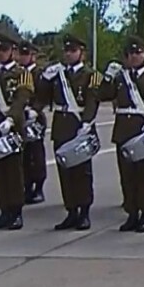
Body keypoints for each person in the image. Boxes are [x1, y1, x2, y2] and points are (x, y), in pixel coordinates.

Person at [98, 37, 144, 233]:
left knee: (143, 175)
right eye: (131, 54)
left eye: (139, 53)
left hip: (142, 130)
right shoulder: (120, 78)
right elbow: (103, 95)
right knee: (126, 176)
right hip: (123, 130)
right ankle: (131, 213)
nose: (135, 57)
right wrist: (107, 77)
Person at [36, 35, 101, 230]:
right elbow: (43, 97)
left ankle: (84, 212)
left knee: (82, 173)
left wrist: (87, 122)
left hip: (79, 125)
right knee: (65, 172)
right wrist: (44, 80)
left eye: (73, 51)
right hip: (62, 126)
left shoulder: (91, 75)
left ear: (82, 52)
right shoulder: (58, 74)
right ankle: (71, 211)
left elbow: (92, 99)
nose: (69, 54)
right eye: (66, 51)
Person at [0, 33, 35, 230]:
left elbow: (21, 99)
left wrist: (11, 118)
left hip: (12, 128)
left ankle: (16, 212)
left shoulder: (22, 74)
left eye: (5, 50)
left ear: (13, 52)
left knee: (13, 172)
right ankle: (4, 211)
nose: (1, 53)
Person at [17, 41, 47, 205]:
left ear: (33, 56)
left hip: (35, 117)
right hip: (21, 115)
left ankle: (38, 188)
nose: (22, 57)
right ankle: (27, 186)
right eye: (21, 54)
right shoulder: (18, 73)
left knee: (36, 154)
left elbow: (43, 95)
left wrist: (35, 110)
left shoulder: (39, 74)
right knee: (24, 155)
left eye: (26, 54)